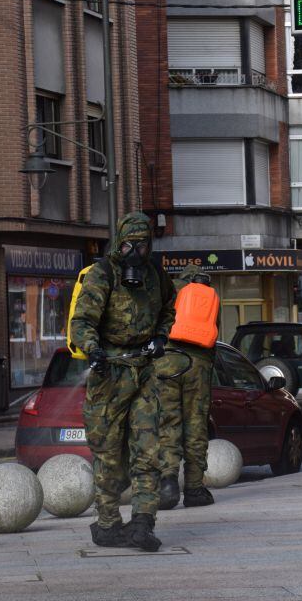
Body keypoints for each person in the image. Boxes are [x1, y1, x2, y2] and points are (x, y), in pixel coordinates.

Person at [70, 212, 176, 550]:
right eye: (130, 244)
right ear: (120, 242)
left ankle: (143, 523)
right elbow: (82, 320)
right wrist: (93, 349)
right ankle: (107, 524)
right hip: (110, 373)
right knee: (109, 453)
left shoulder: (156, 274)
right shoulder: (103, 274)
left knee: (148, 451)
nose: (136, 252)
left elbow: (169, 309)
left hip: (144, 370)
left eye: (143, 245)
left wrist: (160, 336)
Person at [158, 264, 217, 511]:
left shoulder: (169, 291)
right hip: (198, 365)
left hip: (166, 362)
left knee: (167, 422)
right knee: (195, 425)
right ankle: (194, 489)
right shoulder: (210, 297)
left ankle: (167, 482)